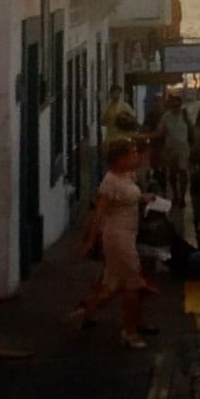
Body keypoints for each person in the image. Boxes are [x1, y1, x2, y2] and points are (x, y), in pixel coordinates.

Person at [70, 137, 152, 348]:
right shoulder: (110, 182)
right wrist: (90, 239)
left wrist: (143, 198)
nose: (136, 156)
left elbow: (128, 198)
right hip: (118, 237)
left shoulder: (126, 176)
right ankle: (130, 331)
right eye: (132, 153)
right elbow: (99, 213)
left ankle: (84, 315)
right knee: (132, 284)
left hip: (127, 234)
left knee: (112, 285)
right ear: (120, 158)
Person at [156, 91, 191, 206]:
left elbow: (191, 130)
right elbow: (160, 132)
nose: (175, 109)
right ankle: (175, 195)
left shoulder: (185, 115)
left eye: (177, 106)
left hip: (183, 147)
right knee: (172, 173)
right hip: (170, 147)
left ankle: (181, 198)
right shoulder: (166, 116)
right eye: (173, 106)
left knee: (183, 172)